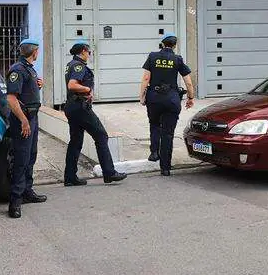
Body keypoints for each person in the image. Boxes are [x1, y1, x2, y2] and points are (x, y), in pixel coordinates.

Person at [63, 41, 127, 186]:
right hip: (80, 107)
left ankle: (70, 177)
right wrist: (87, 90)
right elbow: (72, 85)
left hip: (72, 106)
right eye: (89, 52)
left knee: (75, 142)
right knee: (101, 135)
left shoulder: (71, 64)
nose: (90, 55)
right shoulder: (78, 65)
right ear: (84, 51)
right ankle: (109, 173)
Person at [139, 32, 195, 176]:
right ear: (174, 45)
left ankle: (154, 153)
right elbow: (188, 81)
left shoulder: (152, 56)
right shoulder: (177, 59)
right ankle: (165, 168)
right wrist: (190, 97)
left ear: (162, 44)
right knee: (168, 134)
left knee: (154, 124)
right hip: (172, 99)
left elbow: (146, 78)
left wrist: (141, 96)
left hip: (154, 98)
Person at [6, 38, 47, 219]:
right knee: (21, 159)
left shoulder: (29, 69)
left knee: (31, 155)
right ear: (34, 52)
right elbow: (11, 99)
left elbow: (25, 90)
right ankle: (15, 202)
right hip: (23, 120)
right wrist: (23, 120)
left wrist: (37, 85)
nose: (38, 53)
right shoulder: (17, 69)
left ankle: (27, 192)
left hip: (32, 117)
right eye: (38, 50)